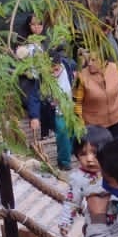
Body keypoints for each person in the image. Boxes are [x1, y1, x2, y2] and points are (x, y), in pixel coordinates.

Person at [17, 12, 74, 169]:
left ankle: (71, 152)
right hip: (37, 85)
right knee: (61, 129)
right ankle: (65, 162)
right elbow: (34, 94)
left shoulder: (65, 66)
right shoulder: (25, 44)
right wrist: (34, 116)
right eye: (33, 24)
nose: (37, 28)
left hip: (66, 105)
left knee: (72, 130)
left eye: (40, 24)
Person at [73, 45, 118, 138]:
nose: (90, 63)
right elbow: (77, 103)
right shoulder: (81, 77)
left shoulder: (114, 68)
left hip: (117, 119)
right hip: (95, 125)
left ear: (104, 62)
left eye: (93, 60)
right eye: (89, 60)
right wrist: (80, 124)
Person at [60, 125, 112, 236]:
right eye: (83, 154)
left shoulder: (114, 170)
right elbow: (71, 202)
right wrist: (65, 224)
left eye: (95, 153)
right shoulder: (78, 179)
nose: (89, 159)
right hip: (95, 226)